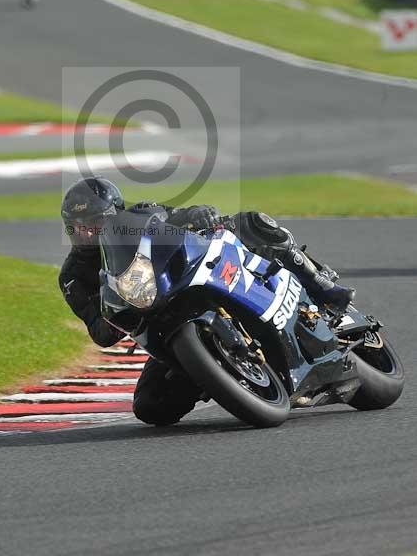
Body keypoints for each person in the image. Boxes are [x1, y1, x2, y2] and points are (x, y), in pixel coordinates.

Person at [59, 176, 355, 426]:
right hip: (159, 323)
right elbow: (97, 329)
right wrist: (110, 320)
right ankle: (213, 375)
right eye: (78, 226)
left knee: (253, 223)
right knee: (150, 407)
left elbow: (174, 218)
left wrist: (196, 214)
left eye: (94, 223)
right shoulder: (72, 277)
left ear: (114, 216)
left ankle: (323, 285)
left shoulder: (140, 217)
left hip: (183, 285)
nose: (86, 233)